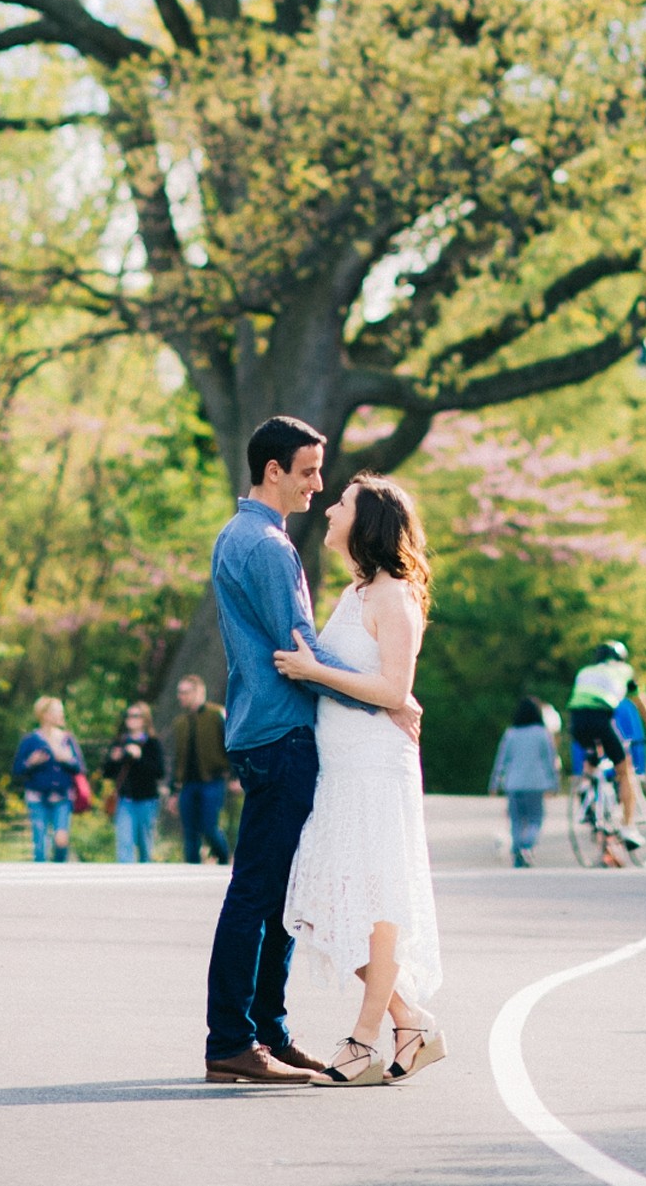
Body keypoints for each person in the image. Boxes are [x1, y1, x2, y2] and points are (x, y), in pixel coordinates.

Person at [202, 414, 420, 1087]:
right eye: (307, 471)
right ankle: (234, 1039)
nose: (318, 486)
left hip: (268, 728)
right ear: (273, 470)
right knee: (259, 894)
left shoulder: (246, 535)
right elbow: (300, 646)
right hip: (281, 731)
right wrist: (387, 698)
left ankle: (268, 1030)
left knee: (277, 896)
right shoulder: (267, 545)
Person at [277, 473, 445, 1085]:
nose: (328, 509)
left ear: (367, 520)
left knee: (375, 902)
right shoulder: (356, 592)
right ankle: (411, 1020)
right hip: (342, 766)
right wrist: (315, 667)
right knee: (324, 902)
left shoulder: (395, 595)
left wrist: (311, 669)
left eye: (342, 503)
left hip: (376, 765)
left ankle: (363, 1040)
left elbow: (393, 690)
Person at [566, 640, 646, 844]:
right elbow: (643, 706)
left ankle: (586, 788)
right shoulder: (624, 670)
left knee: (593, 754)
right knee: (625, 770)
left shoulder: (585, 671)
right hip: (601, 718)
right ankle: (628, 828)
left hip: (576, 721)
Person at [168, 674, 232, 864]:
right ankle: (192, 868)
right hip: (188, 783)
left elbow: (229, 743)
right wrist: (173, 790)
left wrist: (235, 774)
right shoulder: (180, 722)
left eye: (185, 692)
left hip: (212, 779)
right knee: (189, 831)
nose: (181, 696)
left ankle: (223, 859)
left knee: (209, 826)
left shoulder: (216, 715)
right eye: (179, 693)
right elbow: (177, 758)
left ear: (198, 692)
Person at [12, 695, 85, 863]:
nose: (61, 715)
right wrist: (31, 762)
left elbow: (79, 767)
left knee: (61, 840)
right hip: (37, 797)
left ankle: (59, 871)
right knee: (40, 844)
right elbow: (17, 769)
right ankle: (40, 882)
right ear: (44, 715)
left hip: (62, 797)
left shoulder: (67, 739)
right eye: (57, 712)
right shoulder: (30, 740)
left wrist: (66, 759)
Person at [491, 697, 561, 867]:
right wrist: (554, 783)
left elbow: (502, 760)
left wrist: (494, 782)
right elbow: (550, 760)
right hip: (536, 784)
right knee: (535, 819)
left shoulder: (511, 734)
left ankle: (517, 850)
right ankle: (526, 846)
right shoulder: (542, 734)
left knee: (516, 821)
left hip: (513, 784)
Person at [106, 701, 165, 863]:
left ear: (145, 719)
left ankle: (144, 877)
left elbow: (159, 772)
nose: (131, 719)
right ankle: (125, 878)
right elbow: (107, 772)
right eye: (128, 716)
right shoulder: (120, 742)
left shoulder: (152, 743)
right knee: (124, 842)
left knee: (145, 844)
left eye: (136, 716)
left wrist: (140, 757)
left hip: (147, 800)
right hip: (125, 799)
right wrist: (113, 760)